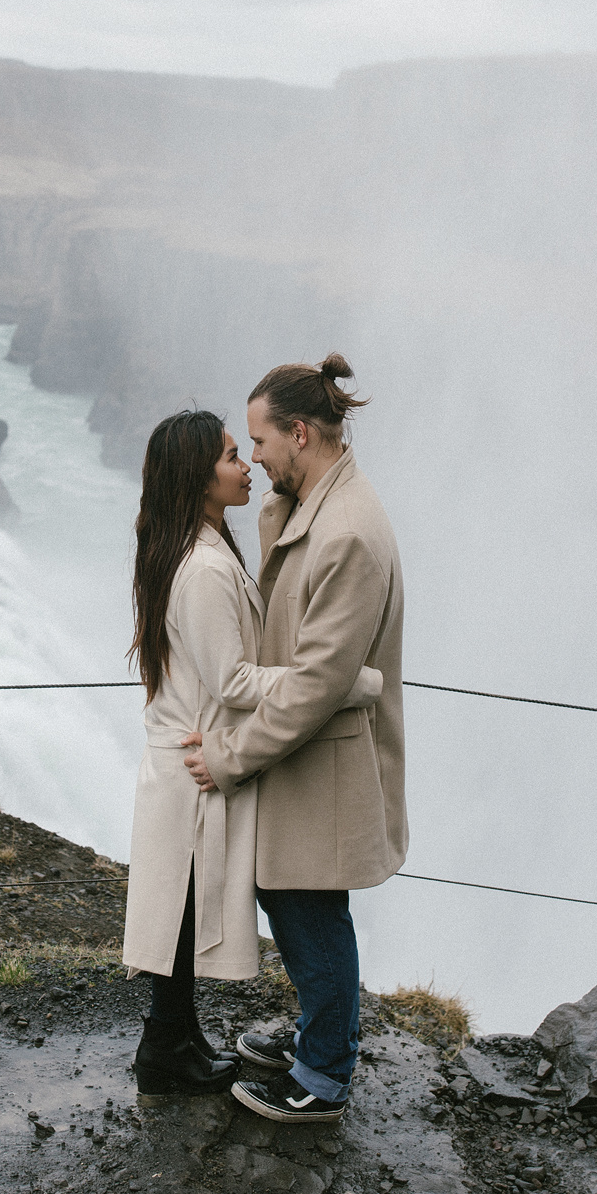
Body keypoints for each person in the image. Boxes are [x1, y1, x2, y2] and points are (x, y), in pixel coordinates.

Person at [123, 408, 383, 1100]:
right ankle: (166, 1050)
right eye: (233, 456)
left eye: (249, 451)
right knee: (176, 910)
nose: (245, 467)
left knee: (175, 908)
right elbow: (235, 681)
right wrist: (337, 684)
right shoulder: (203, 567)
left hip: (183, 750)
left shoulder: (192, 545)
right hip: (193, 760)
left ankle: (174, 1043)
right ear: (197, 477)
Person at [182, 354, 404, 1125]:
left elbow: (313, 684)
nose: (255, 457)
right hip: (305, 756)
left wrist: (229, 760)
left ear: (300, 433)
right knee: (293, 897)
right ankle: (319, 1032)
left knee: (311, 911)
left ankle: (324, 1076)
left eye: (261, 441)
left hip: (321, 758)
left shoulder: (347, 534)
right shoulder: (316, 505)